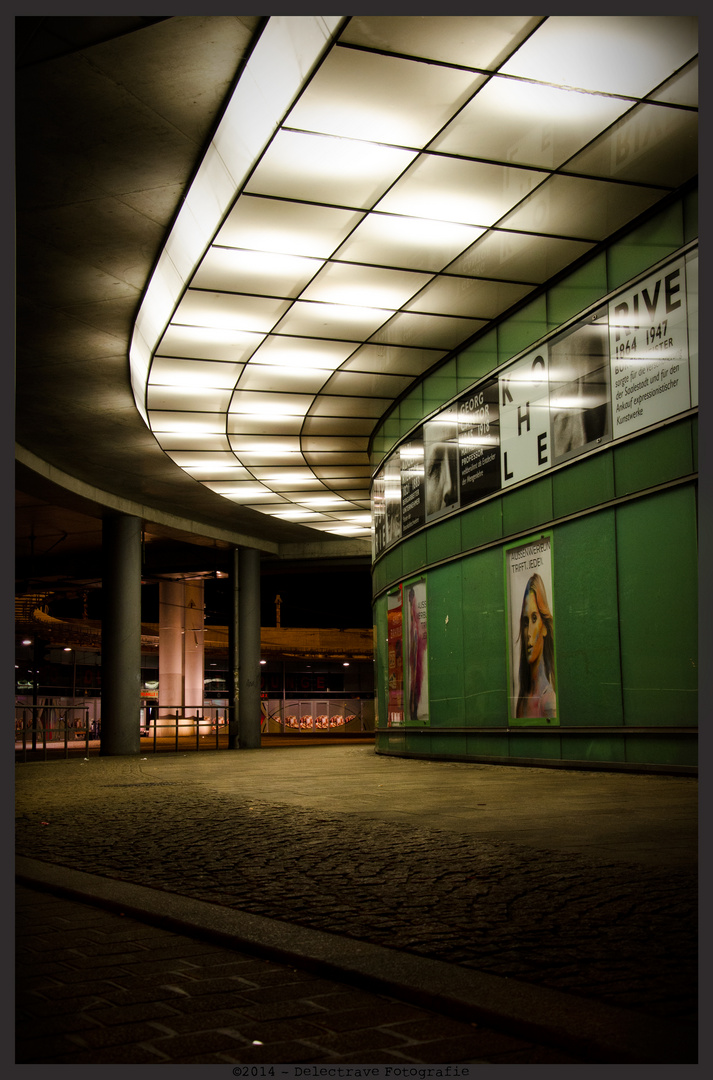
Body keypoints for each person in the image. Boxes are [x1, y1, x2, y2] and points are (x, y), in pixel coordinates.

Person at [515, 573, 556, 719]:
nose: (528, 634)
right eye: (526, 622)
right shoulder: (522, 699)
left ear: (544, 627)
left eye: (534, 618)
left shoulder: (548, 701)